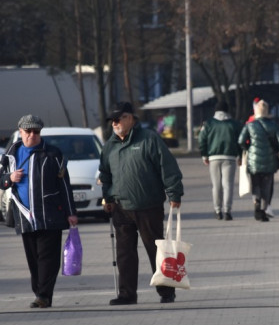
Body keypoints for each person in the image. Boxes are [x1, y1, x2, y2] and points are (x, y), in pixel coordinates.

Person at [100, 101, 185, 305]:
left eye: (118, 119)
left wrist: (174, 194)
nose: (114, 123)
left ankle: (166, 291)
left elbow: (168, 166)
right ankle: (127, 294)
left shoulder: (149, 139)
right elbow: (105, 174)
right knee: (125, 254)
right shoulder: (110, 145)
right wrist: (108, 198)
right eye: (112, 120)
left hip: (148, 205)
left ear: (130, 118)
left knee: (155, 250)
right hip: (121, 207)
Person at [0, 114, 78, 309]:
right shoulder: (12, 154)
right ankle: (39, 293)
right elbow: (0, 180)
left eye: (36, 132)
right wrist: (10, 177)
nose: (32, 135)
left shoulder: (52, 153)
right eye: (28, 131)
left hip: (50, 214)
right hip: (24, 216)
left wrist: (71, 212)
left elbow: (64, 184)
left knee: (48, 258)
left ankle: (44, 296)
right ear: (20, 133)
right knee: (33, 258)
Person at [238, 99, 279, 222]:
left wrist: (248, 149)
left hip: (253, 160)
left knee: (255, 184)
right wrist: (275, 148)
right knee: (267, 185)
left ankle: (256, 203)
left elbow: (241, 140)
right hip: (270, 160)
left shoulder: (250, 125)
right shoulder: (273, 125)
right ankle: (264, 209)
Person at [198, 100, 242, 220]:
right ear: (227, 110)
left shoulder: (209, 123)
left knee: (216, 186)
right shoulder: (234, 124)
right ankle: (227, 211)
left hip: (214, 158)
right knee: (228, 185)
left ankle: (218, 211)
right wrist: (240, 156)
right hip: (230, 158)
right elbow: (240, 141)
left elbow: (201, 139)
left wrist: (204, 155)